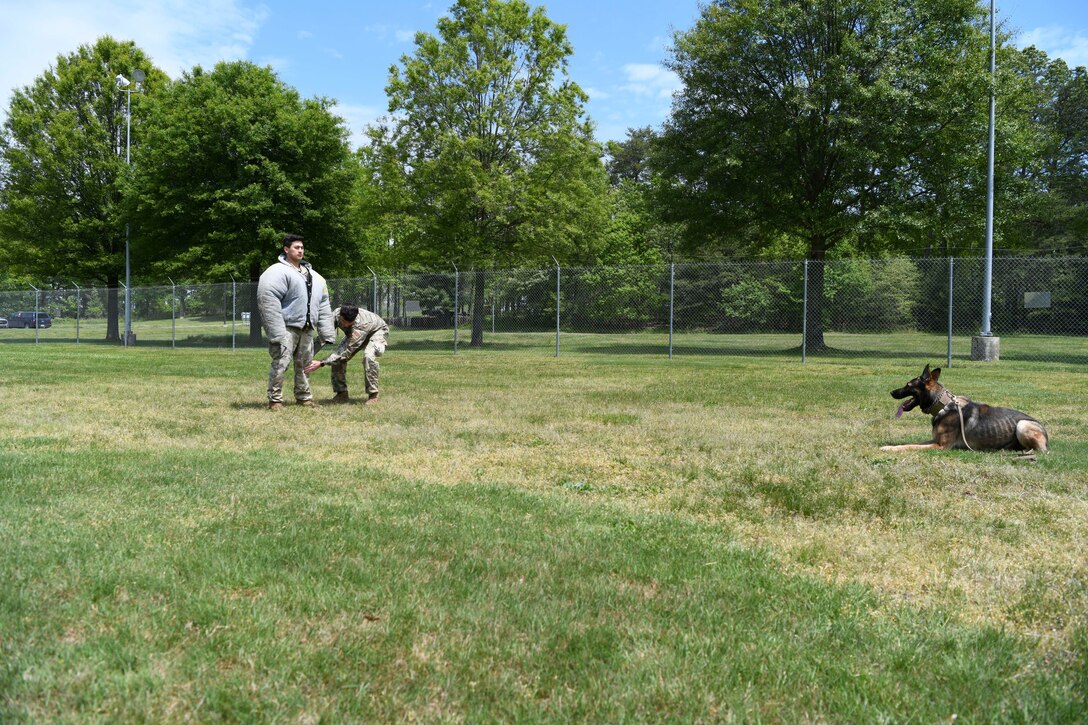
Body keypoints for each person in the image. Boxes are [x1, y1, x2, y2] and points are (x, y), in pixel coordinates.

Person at [256, 234, 335, 410]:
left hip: (307, 328)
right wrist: (275, 331)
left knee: (305, 366)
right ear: (286, 249)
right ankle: (275, 400)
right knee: (281, 364)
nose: (300, 251)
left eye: (302, 248)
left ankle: (304, 397)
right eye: (296, 248)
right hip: (286, 327)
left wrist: (327, 330)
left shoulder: (315, 277)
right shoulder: (276, 272)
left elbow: (323, 303)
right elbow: (267, 300)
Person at [304, 303, 389, 404]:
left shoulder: (361, 325)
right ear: (340, 315)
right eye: (343, 321)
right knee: (338, 360)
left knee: (368, 357)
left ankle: (373, 395)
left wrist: (321, 363)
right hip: (354, 334)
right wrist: (307, 355)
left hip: (377, 331)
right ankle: (342, 394)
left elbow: (346, 352)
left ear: (354, 319)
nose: (345, 325)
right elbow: (324, 336)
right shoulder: (336, 315)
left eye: (349, 323)